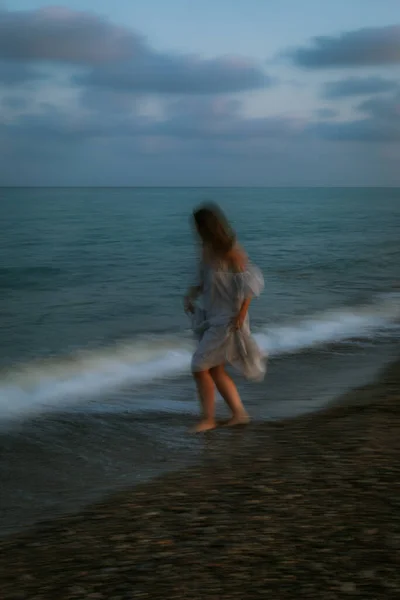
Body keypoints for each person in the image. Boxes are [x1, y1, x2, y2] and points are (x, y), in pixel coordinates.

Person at [184, 203, 266, 433]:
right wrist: (191, 295)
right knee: (215, 369)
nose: (195, 231)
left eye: (198, 226)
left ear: (208, 227)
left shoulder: (231, 251)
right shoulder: (206, 250)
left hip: (228, 319)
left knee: (199, 366)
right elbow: (206, 281)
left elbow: (248, 285)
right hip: (213, 315)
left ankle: (208, 419)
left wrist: (241, 314)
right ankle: (239, 414)